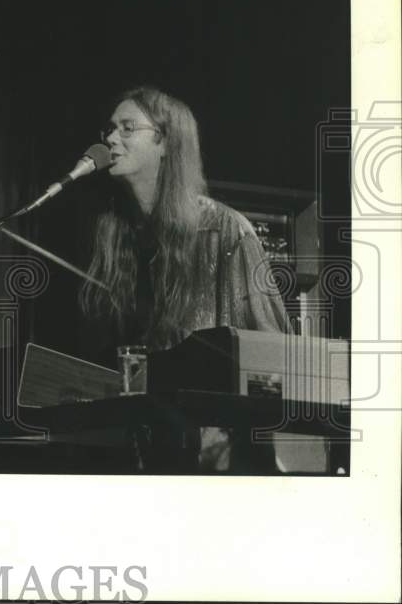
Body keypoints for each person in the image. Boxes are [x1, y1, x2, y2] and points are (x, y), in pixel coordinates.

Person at [77, 86, 289, 470]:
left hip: (217, 460)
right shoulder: (115, 236)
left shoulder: (226, 231)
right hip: (142, 451)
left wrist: (231, 434)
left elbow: (276, 358)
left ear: (166, 143)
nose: (110, 139)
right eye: (109, 129)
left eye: (127, 128)